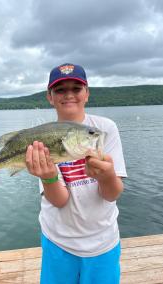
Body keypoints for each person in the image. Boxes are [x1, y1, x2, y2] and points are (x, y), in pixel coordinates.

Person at [25, 63, 127, 284]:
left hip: (103, 241)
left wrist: (106, 176)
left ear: (87, 93)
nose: (69, 94)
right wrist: (48, 175)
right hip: (58, 241)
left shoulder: (104, 129)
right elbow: (60, 200)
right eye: (60, 90)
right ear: (50, 97)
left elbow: (112, 194)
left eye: (76, 88)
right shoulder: (43, 137)